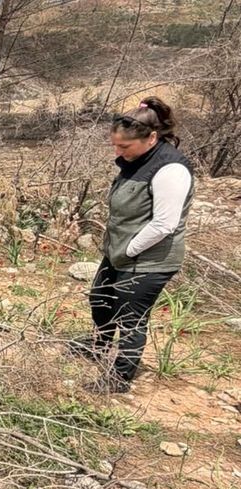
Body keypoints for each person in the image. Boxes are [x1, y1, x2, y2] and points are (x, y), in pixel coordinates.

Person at [69, 97, 194, 394]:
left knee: (131, 317)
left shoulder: (170, 170)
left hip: (149, 259)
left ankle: (119, 378)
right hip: (122, 252)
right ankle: (99, 347)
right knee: (100, 298)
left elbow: (165, 224)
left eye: (124, 147)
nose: (118, 152)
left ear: (152, 138)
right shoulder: (137, 160)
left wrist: (128, 250)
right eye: (115, 145)